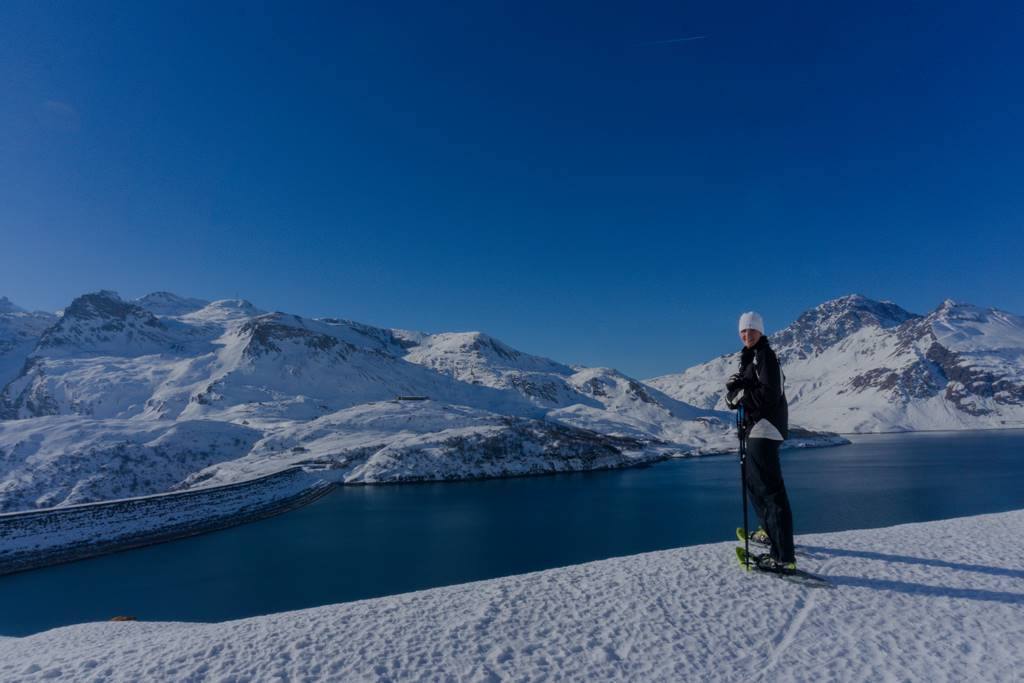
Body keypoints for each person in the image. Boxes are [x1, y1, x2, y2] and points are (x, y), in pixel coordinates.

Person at [725, 311, 795, 572]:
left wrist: (741, 395)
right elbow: (744, 392)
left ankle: (784, 557)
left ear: (761, 331)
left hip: (766, 428)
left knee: (770, 490)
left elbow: (769, 393)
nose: (747, 335)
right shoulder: (750, 358)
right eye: (743, 331)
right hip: (755, 428)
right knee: (755, 485)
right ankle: (769, 532)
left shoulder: (765, 355)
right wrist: (735, 390)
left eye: (751, 330)